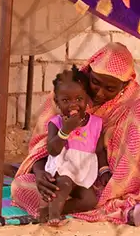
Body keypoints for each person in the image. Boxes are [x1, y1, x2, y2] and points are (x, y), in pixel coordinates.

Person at [11, 42, 140, 226]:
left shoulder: (139, 102)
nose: (99, 92)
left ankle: (97, 205)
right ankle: (115, 209)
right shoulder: (67, 94)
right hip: (63, 175)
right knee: (20, 187)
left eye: (110, 88)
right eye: (95, 82)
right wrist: (40, 175)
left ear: (125, 85)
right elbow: (44, 146)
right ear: (88, 71)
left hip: (107, 183)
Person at [39, 66, 110, 226]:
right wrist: (65, 130)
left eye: (79, 99)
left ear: (87, 100)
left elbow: (99, 150)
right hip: (63, 167)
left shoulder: (96, 123)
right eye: (66, 100)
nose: (73, 105)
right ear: (57, 102)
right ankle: (54, 215)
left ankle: (53, 210)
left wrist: (104, 169)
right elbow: (52, 149)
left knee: (90, 200)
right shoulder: (56, 123)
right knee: (63, 186)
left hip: (85, 169)